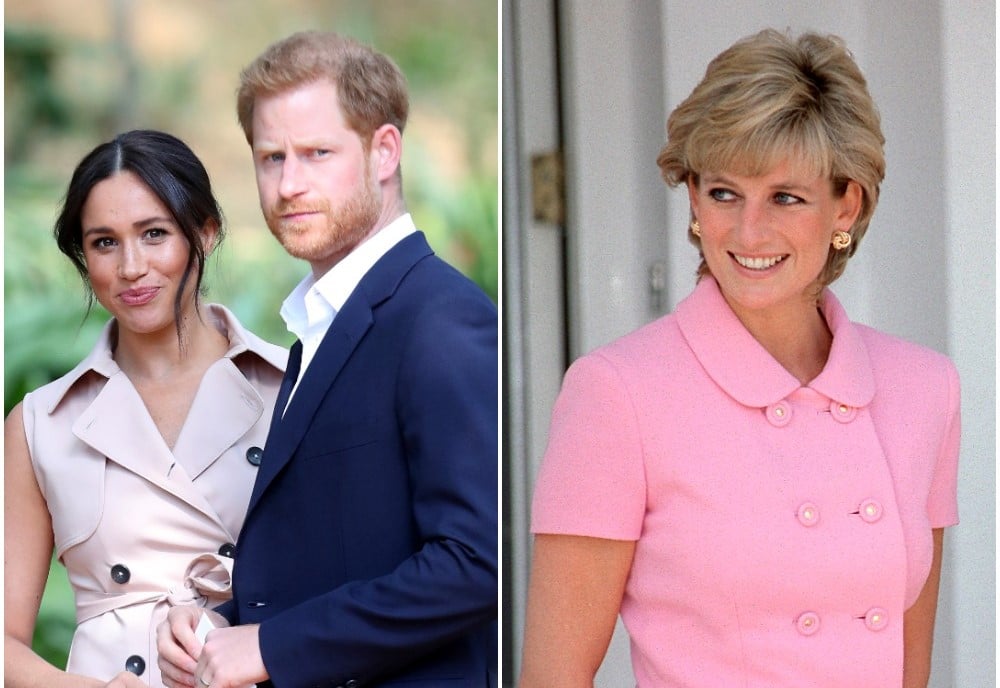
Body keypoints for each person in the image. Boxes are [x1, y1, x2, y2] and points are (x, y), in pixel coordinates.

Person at [520, 29, 959, 688]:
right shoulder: (616, 394)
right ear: (694, 198)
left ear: (847, 203)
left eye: (786, 196)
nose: (749, 232)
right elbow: (553, 678)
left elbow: (909, 673)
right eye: (725, 192)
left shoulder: (924, 388)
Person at [156, 31, 498, 688]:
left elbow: (475, 564)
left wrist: (272, 647)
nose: (289, 185)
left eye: (317, 154)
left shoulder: (442, 320)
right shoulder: (320, 323)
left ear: (384, 152)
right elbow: (338, 553)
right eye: (271, 157)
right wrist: (226, 625)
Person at [4, 129, 288, 688]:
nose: (131, 267)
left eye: (154, 234)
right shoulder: (41, 425)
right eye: (104, 243)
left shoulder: (292, 387)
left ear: (204, 234)